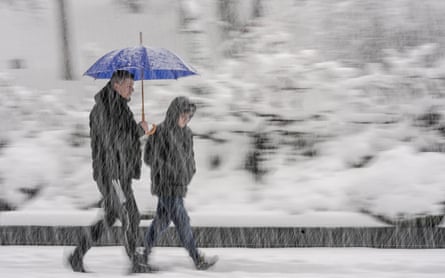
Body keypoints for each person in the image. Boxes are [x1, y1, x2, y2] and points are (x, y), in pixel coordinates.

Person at [68, 70, 154, 273]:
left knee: (110, 216)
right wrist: (139, 131)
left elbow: (124, 135)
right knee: (130, 215)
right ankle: (135, 261)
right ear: (116, 84)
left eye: (133, 86)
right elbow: (114, 141)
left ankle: (77, 255)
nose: (132, 89)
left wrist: (139, 129)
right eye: (129, 85)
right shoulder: (102, 110)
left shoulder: (120, 108)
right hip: (112, 173)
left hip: (119, 172)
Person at [143, 96, 217, 270]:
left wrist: (189, 172)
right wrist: (166, 166)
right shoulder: (159, 131)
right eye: (183, 115)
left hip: (179, 185)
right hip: (166, 185)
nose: (186, 119)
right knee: (183, 221)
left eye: (189, 116)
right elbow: (148, 158)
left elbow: (190, 158)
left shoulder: (187, 133)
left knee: (161, 221)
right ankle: (197, 258)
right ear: (174, 113)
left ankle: (142, 254)